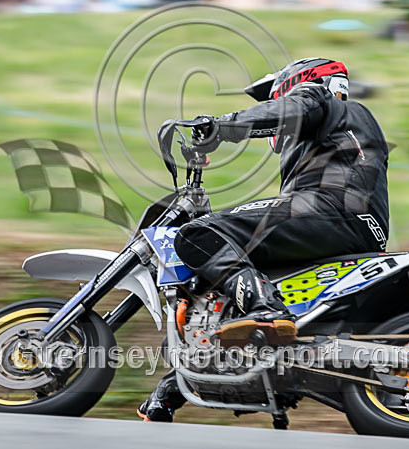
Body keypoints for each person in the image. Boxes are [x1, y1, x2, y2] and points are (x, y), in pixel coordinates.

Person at [138, 57, 391, 422]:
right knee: (237, 269)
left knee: (199, 233)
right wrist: (169, 391)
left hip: (330, 206)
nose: (272, 102)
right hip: (350, 222)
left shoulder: (320, 99)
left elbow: (291, 109)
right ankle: (183, 381)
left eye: (274, 95)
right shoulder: (336, 130)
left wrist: (220, 127)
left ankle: (267, 311)